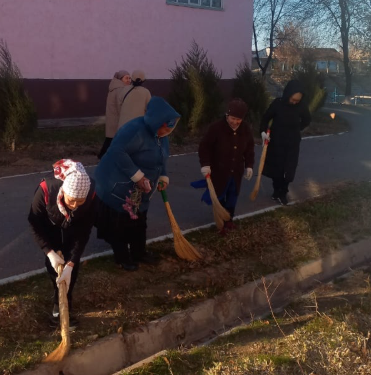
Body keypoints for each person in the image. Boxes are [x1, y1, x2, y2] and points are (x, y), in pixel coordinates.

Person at [95, 97, 180, 271]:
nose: (167, 132)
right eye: (166, 128)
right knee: (120, 224)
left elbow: (162, 158)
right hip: (117, 184)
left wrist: (163, 176)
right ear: (156, 121)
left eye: (170, 129)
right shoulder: (134, 130)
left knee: (140, 220)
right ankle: (122, 257)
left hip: (141, 189)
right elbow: (117, 151)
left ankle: (139, 252)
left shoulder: (161, 136)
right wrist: (138, 176)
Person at [27, 159, 97, 329]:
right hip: (50, 225)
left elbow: (83, 233)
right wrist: (49, 252)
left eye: (79, 202)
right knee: (54, 269)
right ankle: (57, 306)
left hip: (74, 227)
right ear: (64, 191)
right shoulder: (46, 190)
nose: (74, 205)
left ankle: (65, 306)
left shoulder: (92, 195)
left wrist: (71, 263)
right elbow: (34, 223)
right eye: (71, 200)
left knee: (71, 268)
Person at [198, 98, 255, 234]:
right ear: (227, 115)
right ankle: (220, 221)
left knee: (233, 195)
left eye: (238, 119)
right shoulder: (216, 128)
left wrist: (249, 165)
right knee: (219, 195)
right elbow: (204, 147)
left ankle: (229, 220)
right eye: (233, 118)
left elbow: (249, 148)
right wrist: (205, 164)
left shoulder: (245, 129)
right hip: (219, 170)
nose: (235, 122)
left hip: (236, 171)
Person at [260, 80, 311, 206]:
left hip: (292, 143)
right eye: (293, 99)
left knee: (289, 170)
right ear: (288, 94)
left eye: (297, 100)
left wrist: (298, 128)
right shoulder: (277, 104)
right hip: (276, 142)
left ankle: (283, 192)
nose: (294, 102)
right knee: (276, 169)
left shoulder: (302, 106)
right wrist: (263, 132)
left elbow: (307, 120)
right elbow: (265, 118)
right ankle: (276, 190)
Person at [98, 70, 131, 159]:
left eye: (129, 78)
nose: (129, 80)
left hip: (112, 117)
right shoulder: (120, 89)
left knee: (111, 138)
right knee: (112, 139)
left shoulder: (114, 87)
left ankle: (104, 156)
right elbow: (120, 105)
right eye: (126, 78)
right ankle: (103, 156)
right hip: (117, 118)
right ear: (120, 79)